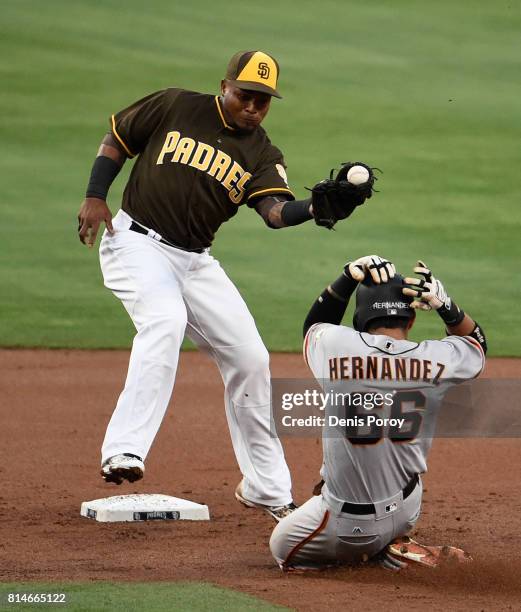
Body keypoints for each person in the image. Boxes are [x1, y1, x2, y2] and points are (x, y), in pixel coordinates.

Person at [76, 51, 370, 521]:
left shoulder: (263, 153)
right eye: (245, 95)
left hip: (196, 262)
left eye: (263, 101)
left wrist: (316, 209)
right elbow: (118, 137)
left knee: (251, 358)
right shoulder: (176, 105)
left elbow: (275, 213)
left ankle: (267, 489)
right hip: (136, 244)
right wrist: (95, 195)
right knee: (165, 322)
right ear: (225, 86)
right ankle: (124, 450)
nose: (253, 107)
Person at [270, 255, 487, 566]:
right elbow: (476, 345)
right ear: (410, 320)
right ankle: (393, 539)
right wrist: (445, 305)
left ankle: (372, 551)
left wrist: (346, 279)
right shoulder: (439, 359)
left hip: (348, 526)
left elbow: (314, 326)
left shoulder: (335, 346)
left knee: (281, 546)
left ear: (359, 322)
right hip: (407, 509)